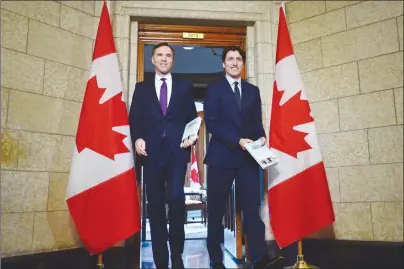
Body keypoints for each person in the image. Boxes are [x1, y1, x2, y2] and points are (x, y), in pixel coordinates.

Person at [203, 46, 281, 269]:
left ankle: (260, 257)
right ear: (223, 64)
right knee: (216, 210)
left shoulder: (252, 90)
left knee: (251, 210)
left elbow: (256, 122)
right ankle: (216, 259)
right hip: (221, 157)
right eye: (230, 59)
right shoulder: (214, 89)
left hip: (248, 159)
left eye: (238, 59)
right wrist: (237, 140)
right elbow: (212, 123)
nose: (234, 62)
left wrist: (262, 137)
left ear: (243, 63)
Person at [129, 42, 197, 269]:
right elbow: (134, 119)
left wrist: (192, 136)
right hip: (151, 154)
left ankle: (177, 254)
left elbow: (192, 119)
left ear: (173, 60)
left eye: (168, 55)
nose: (164, 59)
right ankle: (160, 259)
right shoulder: (141, 88)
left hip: (177, 152)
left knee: (176, 201)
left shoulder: (185, 87)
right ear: (152, 59)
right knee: (155, 205)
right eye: (160, 55)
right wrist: (138, 138)